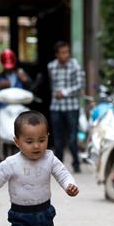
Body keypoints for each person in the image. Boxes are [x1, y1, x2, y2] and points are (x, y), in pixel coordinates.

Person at [47, 40, 85, 173]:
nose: (65, 55)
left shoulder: (75, 66)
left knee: (72, 138)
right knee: (57, 139)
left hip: (71, 107)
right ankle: (59, 168)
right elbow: (52, 84)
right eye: (62, 53)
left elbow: (80, 85)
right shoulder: (51, 66)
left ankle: (76, 163)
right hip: (56, 107)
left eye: (67, 52)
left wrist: (64, 92)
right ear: (57, 54)